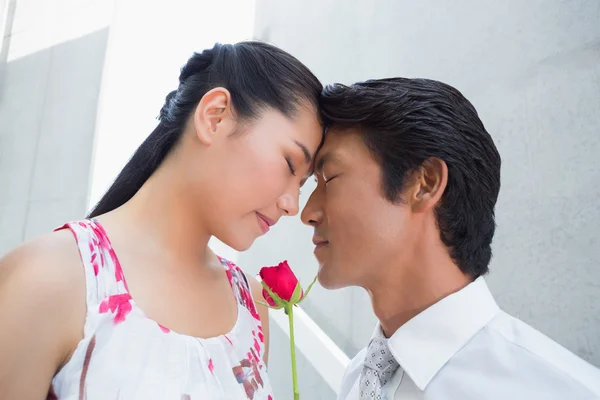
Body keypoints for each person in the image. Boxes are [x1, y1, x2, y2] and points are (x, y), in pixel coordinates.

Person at [0, 41, 323, 400]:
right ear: (214, 117)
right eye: (291, 165)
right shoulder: (49, 279)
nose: (293, 205)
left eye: (302, 183)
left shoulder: (251, 307)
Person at [301, 78, 600, 399]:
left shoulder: (555, 390)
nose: (307, 212)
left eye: (329, 177)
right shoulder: (361, 375)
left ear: (425, 184)